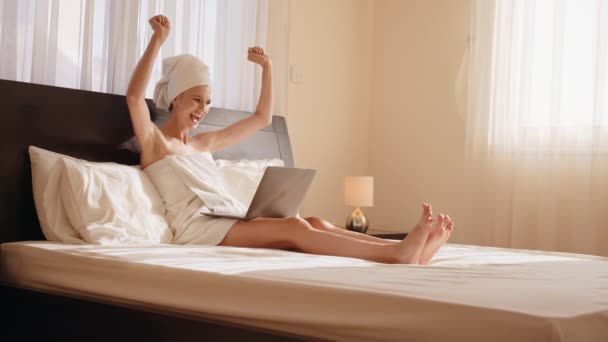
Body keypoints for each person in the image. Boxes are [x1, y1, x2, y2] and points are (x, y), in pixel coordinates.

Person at [126, 15, 454, 265]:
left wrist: (268, 67)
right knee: (295, 229)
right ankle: (398, 254)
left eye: (207, 102)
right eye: (197, 100)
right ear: (176, 98)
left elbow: (262, 120)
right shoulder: (157, 144)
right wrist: (157, 40)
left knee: (311, 221)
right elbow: (134, 97)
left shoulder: (202, 144)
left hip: (228, 218)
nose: (203, 109)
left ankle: (406, 252)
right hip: (198, 231)